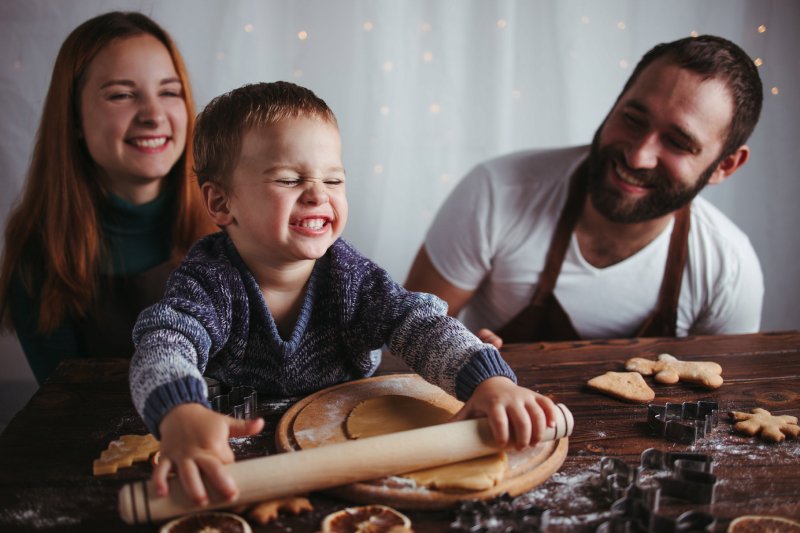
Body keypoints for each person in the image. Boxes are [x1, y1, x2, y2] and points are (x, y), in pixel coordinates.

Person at [129, 81, 559, 506]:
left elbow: (421, 325)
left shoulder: (350, 277)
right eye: (289, 179)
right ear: (222, 203)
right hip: (242, 448)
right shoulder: (208, 280)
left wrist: (489, 380)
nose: (318, 194)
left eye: (333, 180)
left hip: (346, 442)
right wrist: (179, 412)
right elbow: (164, 344)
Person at [405, 35, 764, 347]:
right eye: (632, 119)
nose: (638, 156)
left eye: (677, 142)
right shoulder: (496, 191)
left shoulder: (729, 269)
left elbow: (721, 395)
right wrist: (458, 361)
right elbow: (406, 338)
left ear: (725, 165)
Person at [0, 12, 215, 383]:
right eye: (121, 95)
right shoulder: (39, 259)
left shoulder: (235, 222)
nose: (153, 115)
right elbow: (68, 405)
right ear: (74, 119)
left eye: (169, 91)